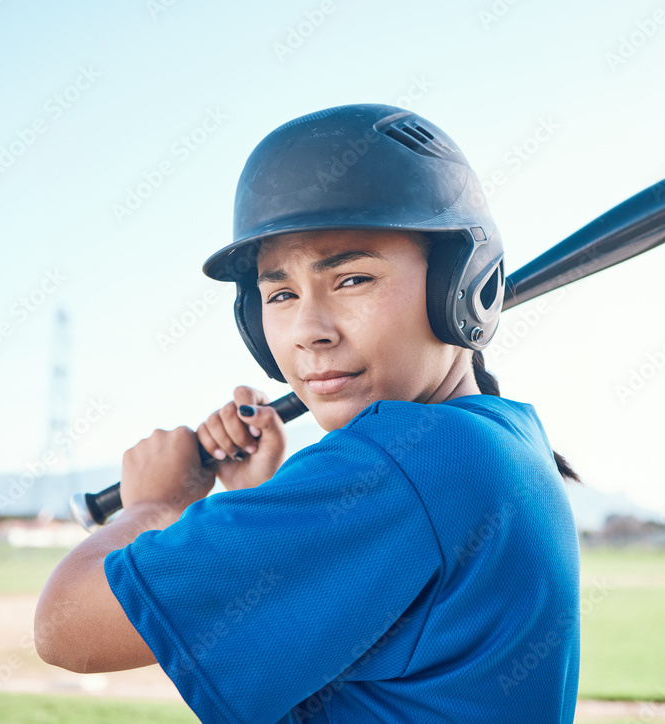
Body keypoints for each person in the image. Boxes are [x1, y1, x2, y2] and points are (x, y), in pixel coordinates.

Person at [35, 103, 581, 723]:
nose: (308, 331)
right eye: (281, 294)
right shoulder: (502, 438)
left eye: (351, 280)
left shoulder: (394, 466)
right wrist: (265, 497)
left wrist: (153, 504)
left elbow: (65, 626)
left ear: (459, 285)